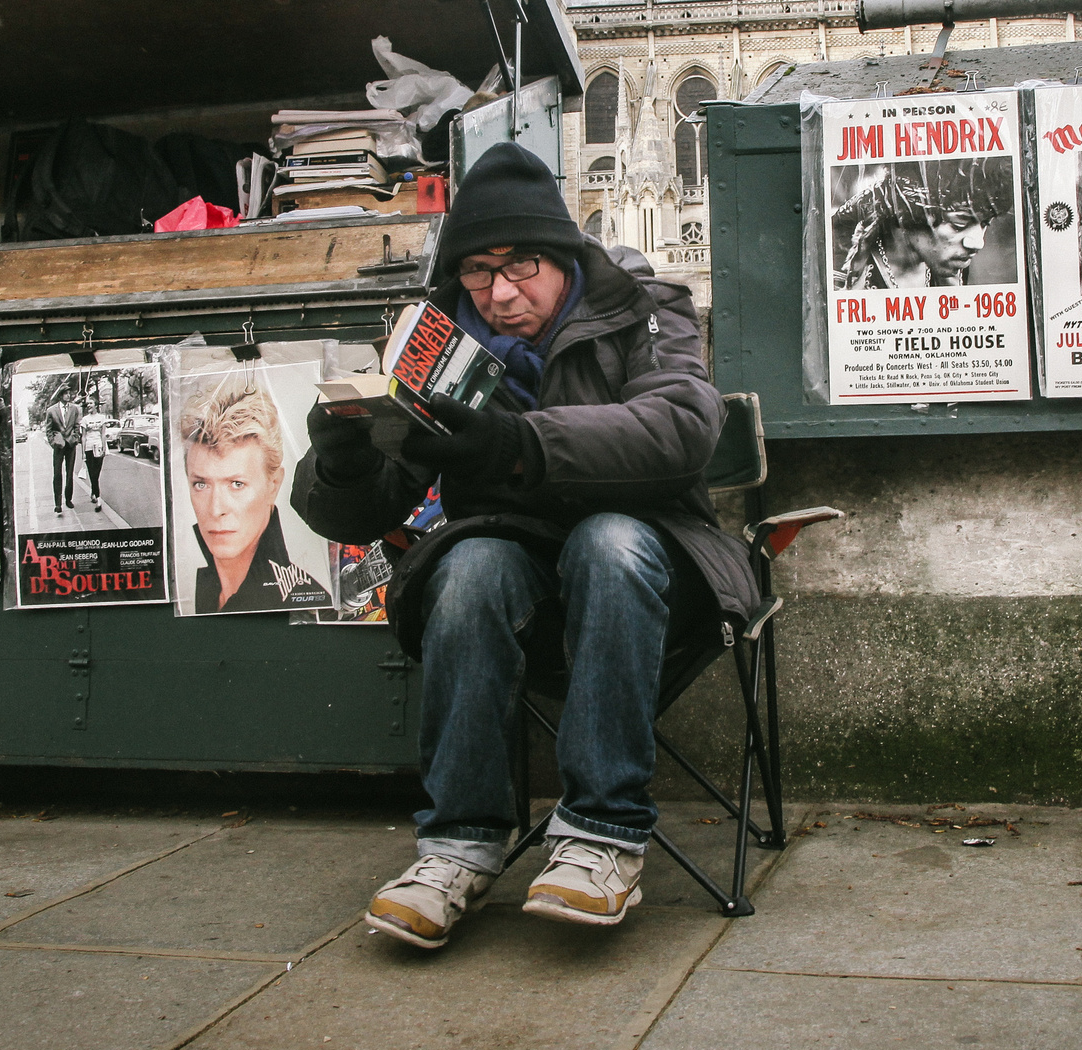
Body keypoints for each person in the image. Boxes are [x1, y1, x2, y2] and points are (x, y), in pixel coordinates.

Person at [294, 143, 750, 950]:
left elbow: (682, 427)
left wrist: (515, 443)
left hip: (658, 560)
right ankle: (457, 848)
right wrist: (343, 462)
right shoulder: (434, 341)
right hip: (513, 561)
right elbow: (368, 512)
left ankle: (602, 836)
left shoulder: (642, 303)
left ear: (564, 254)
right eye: (477, 273)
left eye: (522, 266)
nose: (500, 294)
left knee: (607, 543)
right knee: (467, 567)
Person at [182, 372, 329, 614]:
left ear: (274, 484)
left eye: (236, 484)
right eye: (201, 484)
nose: (216, 509)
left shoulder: (307, 605)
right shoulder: (202, 589)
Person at [832, 157, 1013, 289]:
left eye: (985, 223)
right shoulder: (840, 257)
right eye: (958, 224)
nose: (977, 242)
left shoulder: (951, 262)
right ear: (908, 212)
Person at [45, 391, 81, 515]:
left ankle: (68, 499)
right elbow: (48, 429)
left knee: (70, 473)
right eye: (65, 394)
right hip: (59, 445)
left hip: (71, 445)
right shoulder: (51, 410)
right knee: (57, 474)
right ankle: (58, 504)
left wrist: (75, 438)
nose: (68, 395)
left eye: (69, 393)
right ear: (60, 396)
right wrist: (53, 442)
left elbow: (77, 425)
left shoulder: (74, 409)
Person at [80, 417, 108, 514]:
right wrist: (83, 452)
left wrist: (104, 447)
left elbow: (103, 433)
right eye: (87, 404)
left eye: (91, 403)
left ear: (96, 405)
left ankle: (93, 491)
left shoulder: (102, 418)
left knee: (97, 473)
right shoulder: (85, 420)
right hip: (88, 448)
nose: (89, 405)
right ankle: (98, 499)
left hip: (99, 446)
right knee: (92, 473)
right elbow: (83, 436)